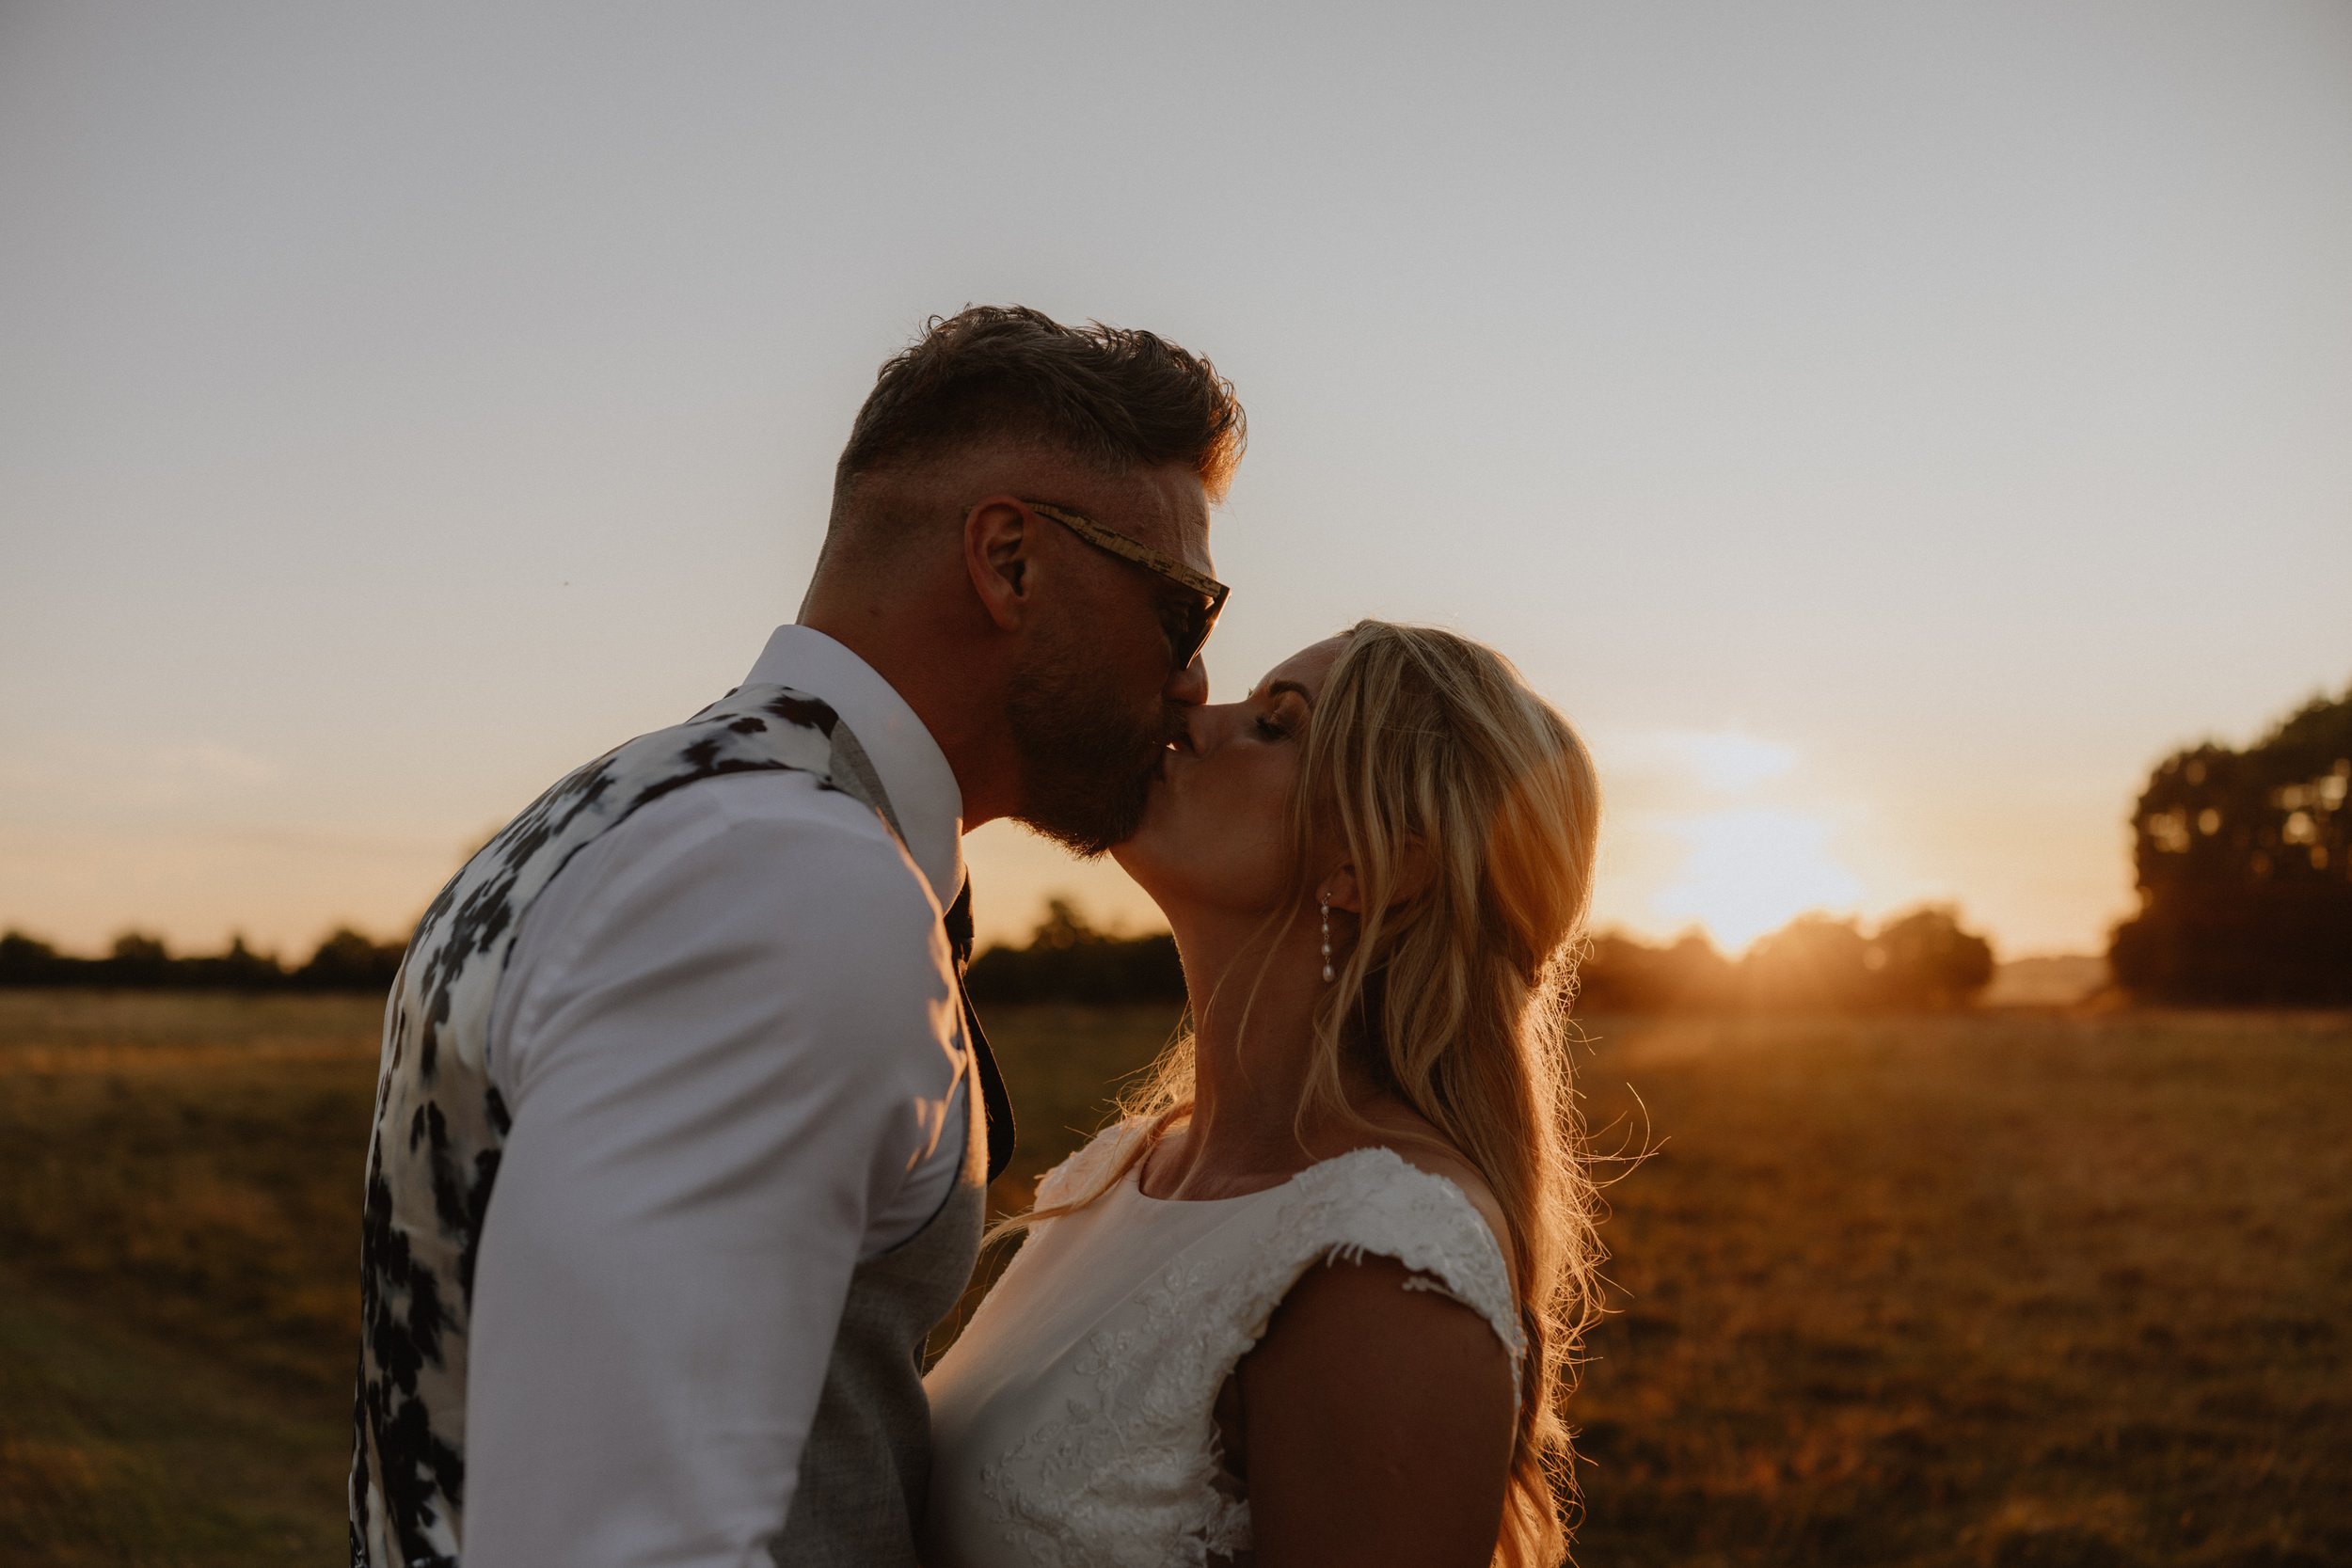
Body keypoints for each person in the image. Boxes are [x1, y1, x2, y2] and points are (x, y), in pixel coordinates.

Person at [349, 305, 1246, 1568]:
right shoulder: (794, 888)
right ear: (1012, 561)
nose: (1196, 680)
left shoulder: (624, 806)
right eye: (1185, 610)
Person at [926, 621, 1606, 1568]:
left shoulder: (1382, 1259)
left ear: (1371, 868)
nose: (1196, 717)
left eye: (1276, 725)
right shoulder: (1121, 1170)